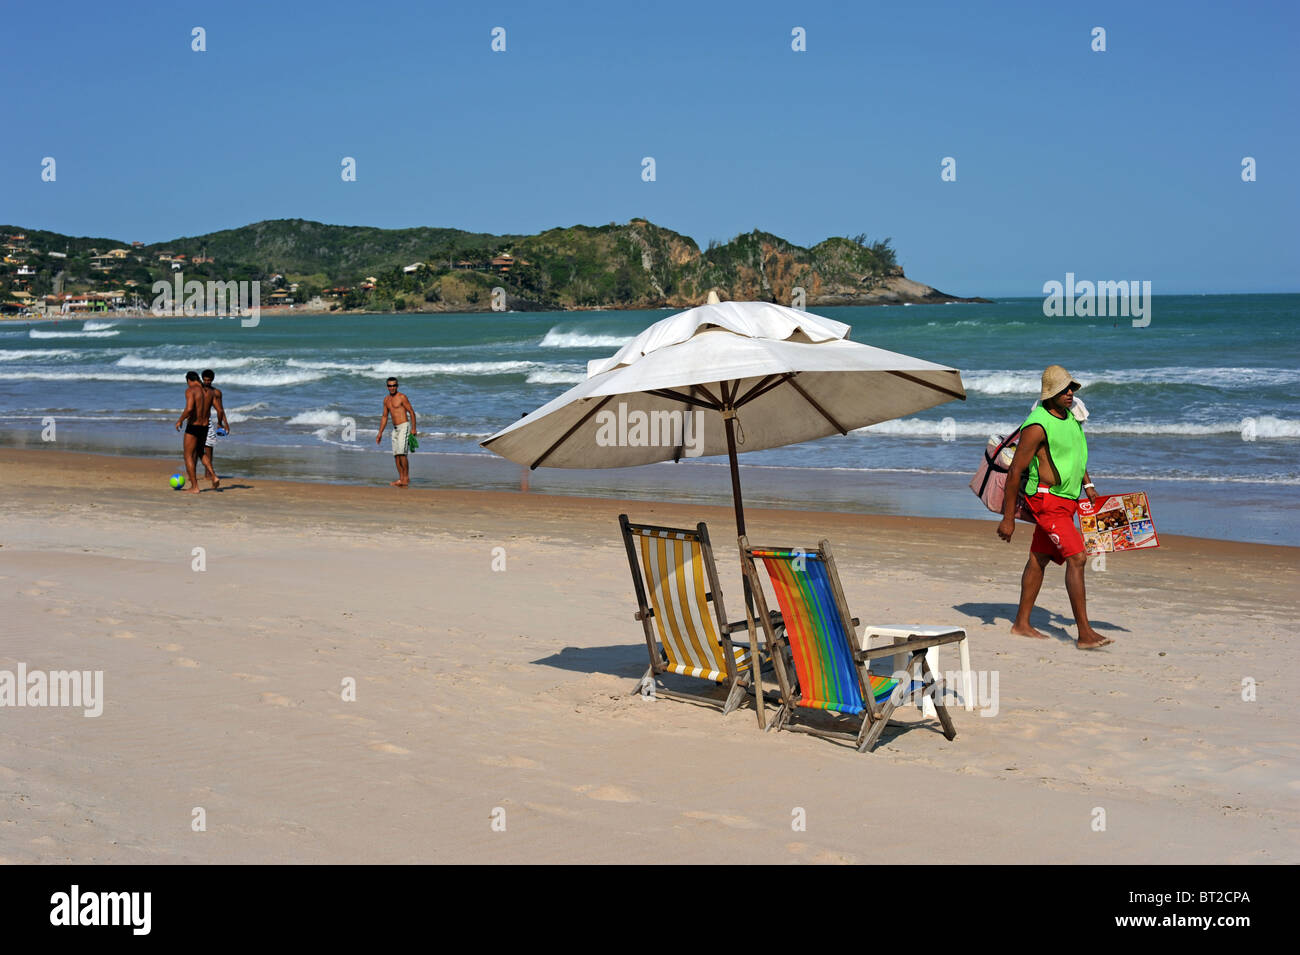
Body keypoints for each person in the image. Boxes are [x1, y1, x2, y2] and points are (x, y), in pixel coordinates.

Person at [998, 365, 1113, 649]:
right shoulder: (1037, 424)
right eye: (1064, 389)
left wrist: (1088, 486)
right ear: (1050, 394)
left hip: (1068, 500)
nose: (1070, 393)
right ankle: (1084, 633)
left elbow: (1076, 457)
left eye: (1071, 388)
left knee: (1039, 558)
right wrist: (1008, 518)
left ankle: (1021, 624)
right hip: (1047, 501)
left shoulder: (1071, 418)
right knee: (1078, 558)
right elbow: (1015, 472)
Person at [173, 371, 214, 495]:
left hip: (194, 426)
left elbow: (190, 408)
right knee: (201, 451)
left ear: (189, 380)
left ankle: (195, 486)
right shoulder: (208, 391)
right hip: (205, 426)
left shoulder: (191, 390)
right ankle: (213, 475)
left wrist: (180, 420)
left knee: (188, 455)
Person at [376, 376, 417, 487]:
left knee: (402, 454)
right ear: (387, 387)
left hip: (404, 426)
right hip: (395, 429)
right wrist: (380, 433)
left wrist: (413, 428)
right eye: (390, 385)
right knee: (396, 455)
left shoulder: (402, 397)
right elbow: (384, 417)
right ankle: (400, 479)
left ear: (397, 386)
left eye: (394, 385)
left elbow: (412, 412)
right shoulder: (386, 400)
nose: (392, 387)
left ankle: (406, 478)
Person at [200, 368, 230, 490]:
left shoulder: (216, 392)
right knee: (195, 449)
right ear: (202, 379)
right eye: (205, 380)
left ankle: (208, 473)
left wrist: (224, 423)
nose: (207, 382)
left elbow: (220, 409)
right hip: (196, 422)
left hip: (208, 422)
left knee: (209, 448)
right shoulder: (198, 390)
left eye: (209, 380)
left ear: (212, 380)